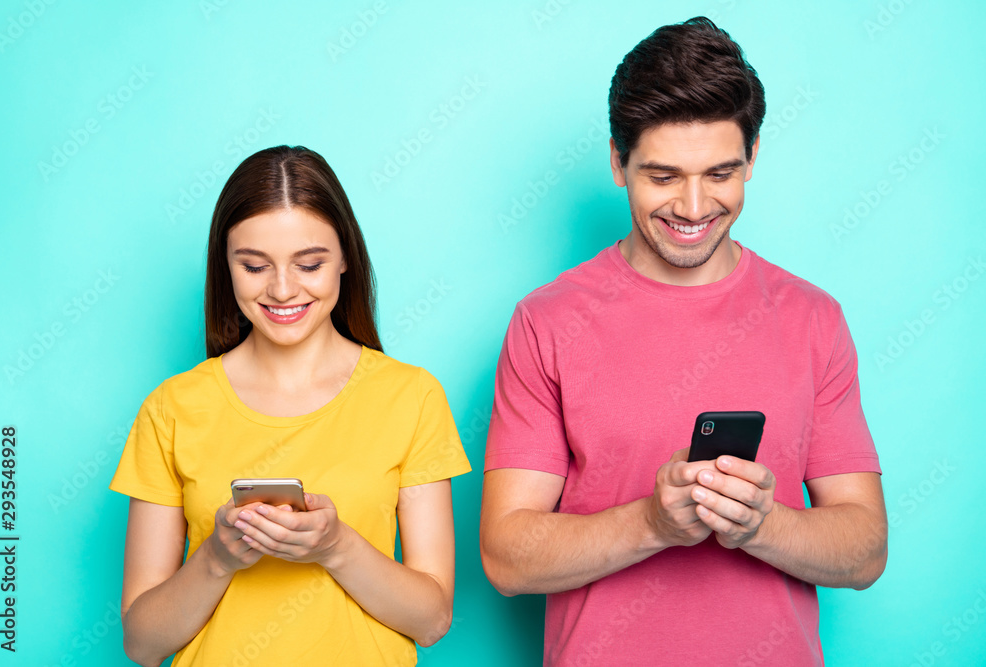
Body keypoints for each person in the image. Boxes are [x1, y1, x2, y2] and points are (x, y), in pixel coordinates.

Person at [480, 17, 887, 667]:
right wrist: (653, 523)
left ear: (752, 159)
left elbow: (865, 549)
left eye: (720, 173)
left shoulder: (814, 319)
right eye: (663, 176)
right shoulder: (546, 321)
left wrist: (762, 523)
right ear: (618, 161)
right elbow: (506, 557)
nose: (694, 206)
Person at [111, 145, 470, 666]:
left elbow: (432, 620)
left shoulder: (411, 397)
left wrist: (335, 547)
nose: (282, 290)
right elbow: (142, 644)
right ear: (225, 266)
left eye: (309, 264)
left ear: (345, 257)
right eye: (255, 266)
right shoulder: (172, 408)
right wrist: (217, 556)